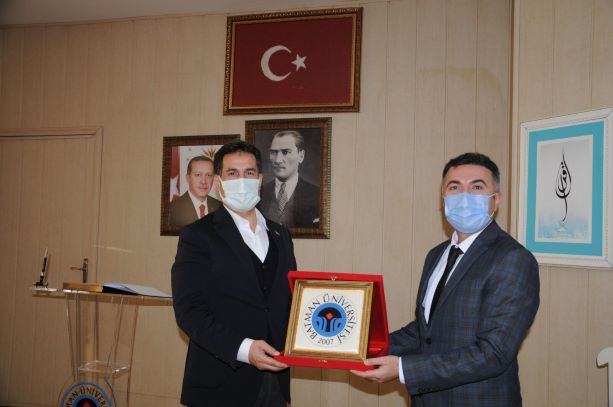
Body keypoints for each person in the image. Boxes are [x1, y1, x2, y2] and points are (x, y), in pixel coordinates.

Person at [351, 152, 540, 407]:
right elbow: (425, 331)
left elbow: (494, 352)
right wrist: (360, 345)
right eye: (454, 187)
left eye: (477, 187)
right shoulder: (436, 255)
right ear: (443, 198)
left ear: (496, 200)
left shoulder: (513, 259)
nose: (464, 196)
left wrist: (404, 369)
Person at [171, 141, 296, 407]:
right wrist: (245, 349)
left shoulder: (281, 235)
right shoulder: (197, 235)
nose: (242, 180)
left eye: (249, 172)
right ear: (218, 182)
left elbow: (291, 301)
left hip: (275, 380)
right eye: (232, 173)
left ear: (260, 179)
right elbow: (189, 312)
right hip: (219, 384)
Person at [258, 130, 320, 228]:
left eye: (285, 152)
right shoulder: (258, 193)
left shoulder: (317, 194)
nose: (278, 160)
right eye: (274, 152)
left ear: (301, 156)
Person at [169, 156, 221, 227]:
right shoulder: (172, 209)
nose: (203, 181)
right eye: (198, 175)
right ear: (188, 178)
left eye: (209, 175)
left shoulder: (220, 207)